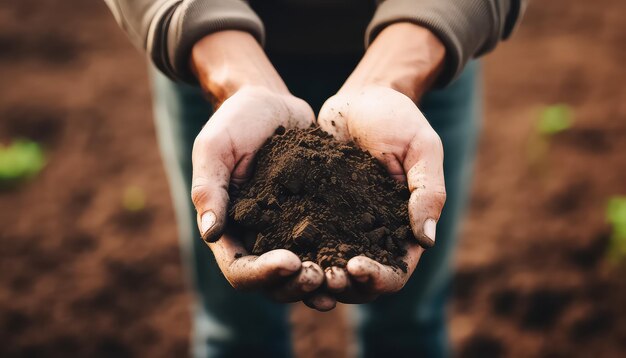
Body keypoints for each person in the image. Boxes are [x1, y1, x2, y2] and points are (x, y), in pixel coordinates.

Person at [105, 0, 525, 356]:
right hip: (209, 46)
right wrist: (223, 58)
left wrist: (395, 74)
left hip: (426, 42)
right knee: (236, 332)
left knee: (409, 327)